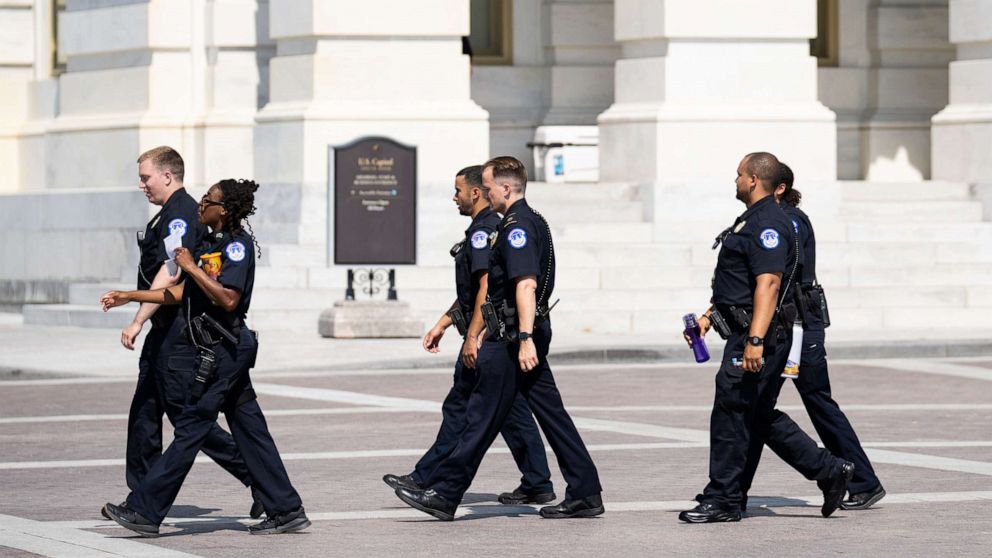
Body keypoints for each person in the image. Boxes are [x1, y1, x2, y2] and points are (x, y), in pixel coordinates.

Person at [393, 156, 604, 521]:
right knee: (553, 416)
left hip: (510, 338)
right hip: (516, 332)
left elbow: (525, 284)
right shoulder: (527, 220)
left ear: (506, 187)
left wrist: (523, 337)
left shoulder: (518, 226)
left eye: (489, 187)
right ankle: (585, 491)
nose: (485, 193)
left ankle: (445, 493)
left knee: (481, 416)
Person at [100, 179, 309, 536]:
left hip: (226, 349)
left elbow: (228, 298)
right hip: (218, 349)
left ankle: (145, 510)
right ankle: (286, 508)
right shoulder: (210, 244)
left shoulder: (238, 247)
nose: (200, 205)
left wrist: (191, 266)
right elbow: (181, 292)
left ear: (223, 210)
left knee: (191, 428)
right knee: (251, 429)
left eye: (207, 201)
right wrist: (131, 296)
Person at [679, 152, 853, 523]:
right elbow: (739, 284)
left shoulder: (769, 223)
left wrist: (755, 340)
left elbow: (769, 284)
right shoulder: (752, 220)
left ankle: (724, 498)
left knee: (731, 412)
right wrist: (710, 317)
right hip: (746, 330)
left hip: (758, 337)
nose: (736, 180)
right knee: (756, 415)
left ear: (755, 180)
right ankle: (828, 471)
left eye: (740, 174)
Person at [382, 165, 556, 506]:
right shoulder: (488, 227)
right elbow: (471, 293)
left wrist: (472, 337)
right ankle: (537, 481)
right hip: (492, 334)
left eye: (459, 190)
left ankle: (433, 482)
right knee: (509, 411)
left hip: (491, 336)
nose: (454, 197)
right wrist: (445, 323)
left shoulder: (486, 232)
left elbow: (485, 289)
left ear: (477, 192)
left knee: (466, 410)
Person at [103, 146, 260, 520]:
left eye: (146, 177)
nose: (142, 184)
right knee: (145, 415)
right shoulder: (168, 216)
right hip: (164, 333)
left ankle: (257, 477)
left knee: (190, 422)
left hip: (179, 336)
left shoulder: (181, 216)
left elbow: (172, 273)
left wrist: (138, 316)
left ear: (167, 176)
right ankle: (140, 497)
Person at [738, 163, 885, 510]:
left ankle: (860, 480)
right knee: (759, 406)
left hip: (797, 324)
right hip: (792, 322)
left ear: (778, 187)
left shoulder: (785, 220)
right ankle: (733, 490)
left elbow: (782, 278)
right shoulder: (777, 217)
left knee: (807, 403)